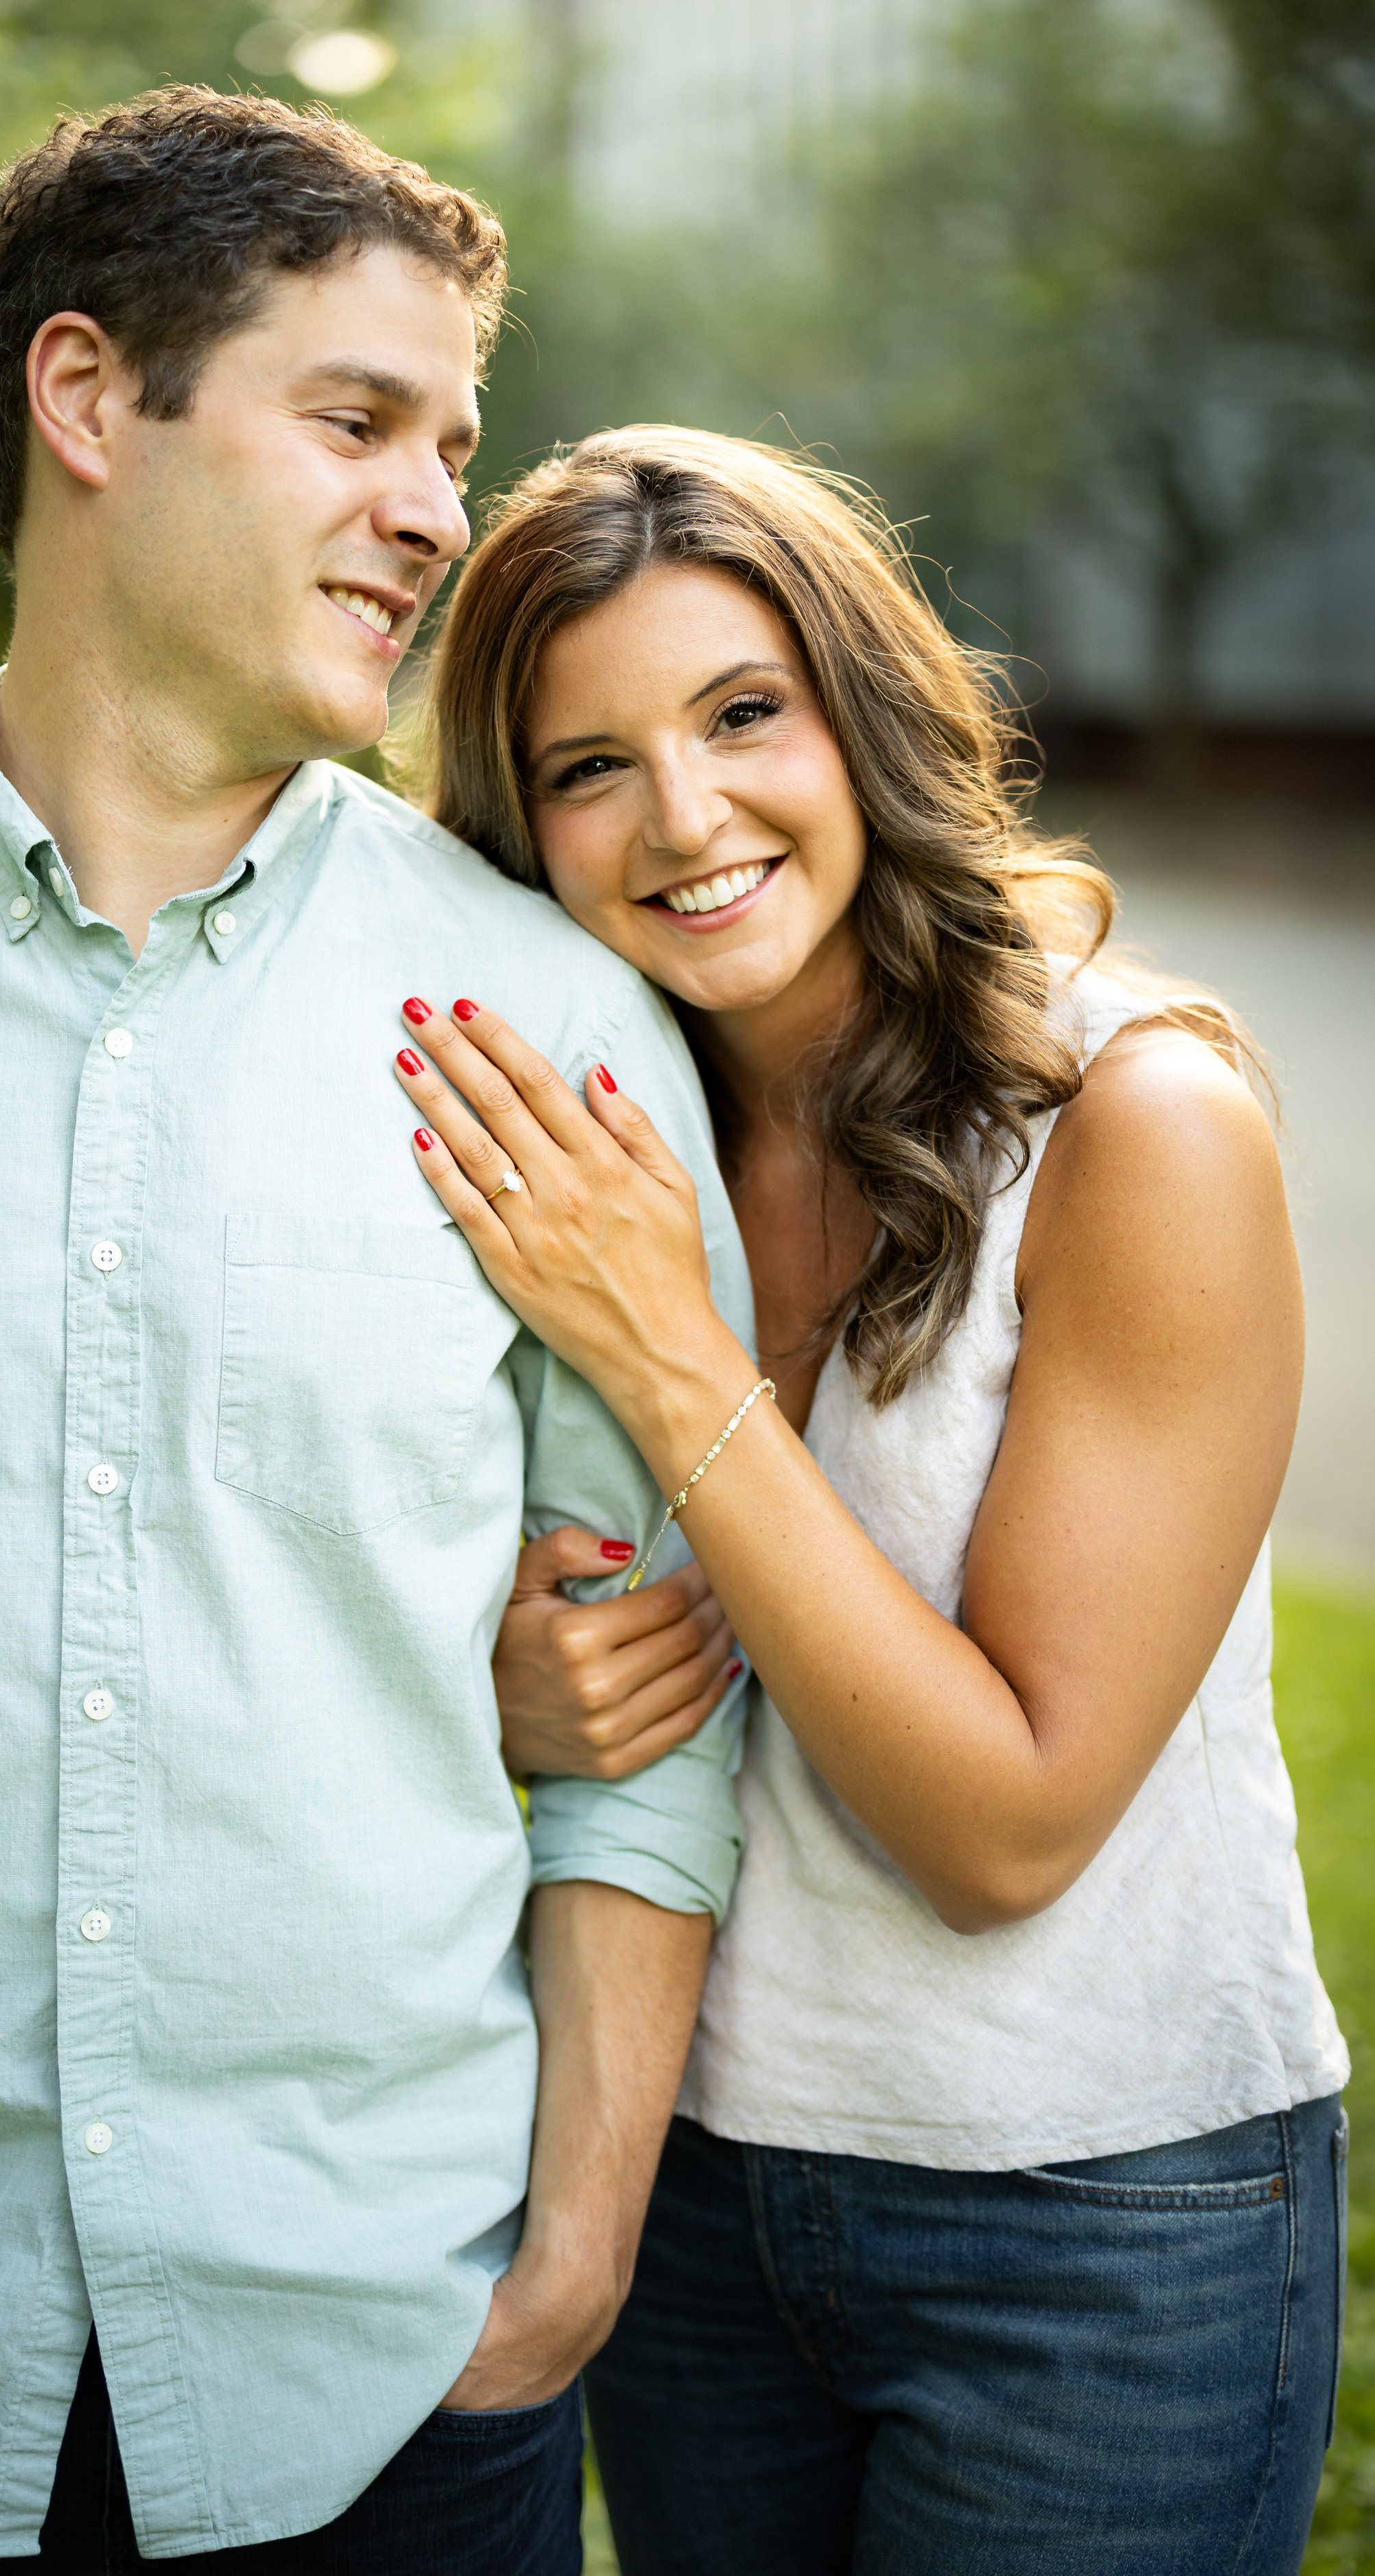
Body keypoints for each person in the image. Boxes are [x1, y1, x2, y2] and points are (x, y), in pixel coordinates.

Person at [0, 107, 757, 2574]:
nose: (434, 508)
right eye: (356, 420)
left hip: (389, 2372)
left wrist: (565, 2261)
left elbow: (649, 1711)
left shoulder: (555, 1026)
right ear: (85, 397)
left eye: (452, 445)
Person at [390, 426, 1350, 2575]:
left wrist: (665, 1352)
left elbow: (1001, 1826)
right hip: (684, 2183)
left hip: (1092, 2218)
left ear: (865, 712)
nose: (686, 817)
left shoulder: (1129, 1128)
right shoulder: (570, 1144)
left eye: (744, 714)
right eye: (586, 765)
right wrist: (501, 1694)